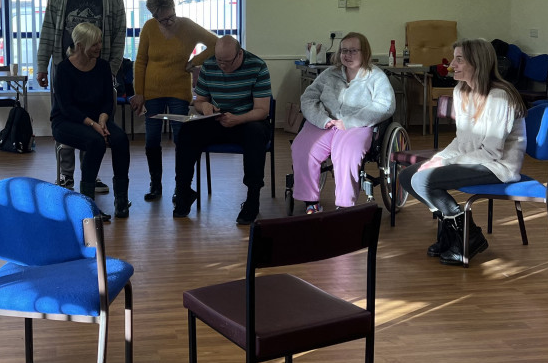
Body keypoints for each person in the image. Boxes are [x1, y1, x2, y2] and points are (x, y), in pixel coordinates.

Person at [398, 38, 527, 266]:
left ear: (478, 62)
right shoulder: (461, 91)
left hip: (497, 166)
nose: (451, 66)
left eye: (459, 60)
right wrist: (438, 160)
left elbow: (492, 152)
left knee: (425, 180)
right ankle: (455, 233)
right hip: (475, 159)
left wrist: (446, 164)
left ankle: (469, 235)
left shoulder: (499, 97)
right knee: (408, 176)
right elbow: (462, 140)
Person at [36, 0, 126, 194]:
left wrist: (112, 70)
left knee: (98, 123)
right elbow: (48, 29)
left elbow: (119, 37)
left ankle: (91, 174)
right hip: (66, 67)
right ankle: (66, 176)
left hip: (98, 69)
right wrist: (42, 65)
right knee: (69, 116)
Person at [291, 32, 395, 214]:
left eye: (353, 51)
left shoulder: (376, 76)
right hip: (324, 123)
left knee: (347, 153)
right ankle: (311, 202)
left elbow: (385, 105)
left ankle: (344, 205)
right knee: (303, 148)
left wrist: (350, 121)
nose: (347, 55)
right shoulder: (329, 74)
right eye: (344, 51)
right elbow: (308, 97)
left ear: (365, 52)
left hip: (356, 125)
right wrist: (322, 119)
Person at [172, 36, 272, 225]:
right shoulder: (210, 65)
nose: (222, 66)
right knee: (186, 132)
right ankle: (184, 191)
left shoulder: (257, 66)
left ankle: (252, 199)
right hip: (218, 119)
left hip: (247, 120)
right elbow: (199, 101)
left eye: (227, 62)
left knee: (256, 135)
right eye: (219, 61)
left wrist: (238, 119)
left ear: (239, 54)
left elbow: (262, 110)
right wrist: (205, 107)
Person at [130, 0, 218, 201]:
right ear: (154, 17)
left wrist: (195, 62)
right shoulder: (150, 28)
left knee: (182, 138)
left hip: (179, 91)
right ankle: (155, 185)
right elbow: (140, 61)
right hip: (152, 92)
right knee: (152, 139)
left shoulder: (187, 25)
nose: (168, 22)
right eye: (163, 19)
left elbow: (216, 43)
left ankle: (182, 186)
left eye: (171, 17)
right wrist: (139, 93)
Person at [51, 23, 130, 219]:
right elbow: (66, 108)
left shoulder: (102, 66)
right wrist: (94, 125)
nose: (99, 47)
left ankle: (121, 199)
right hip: (66, 121)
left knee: (120, 139)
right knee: (94, 142)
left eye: (99, 42)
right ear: (79, 45)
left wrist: (103, 119)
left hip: (97, 118)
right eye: (94, 44)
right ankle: (87, 205)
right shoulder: (64, 69)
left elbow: (106, 99)